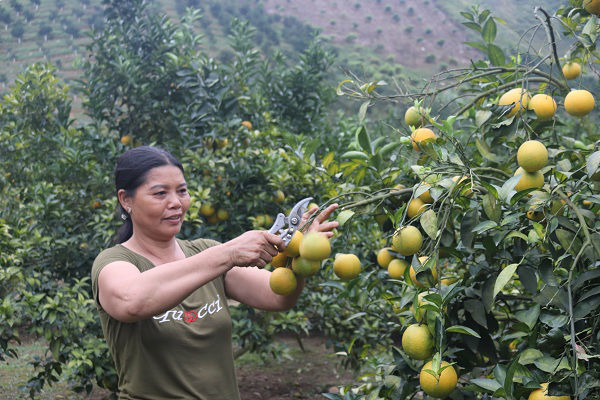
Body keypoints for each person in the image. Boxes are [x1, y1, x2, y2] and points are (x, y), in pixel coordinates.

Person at [91, 145, 339, 400]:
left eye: (182, 191)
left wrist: (297, 255)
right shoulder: (114, 263)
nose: (176, 203)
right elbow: (131, 301)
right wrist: (229, 253)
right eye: (160, 193)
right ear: (126, 199)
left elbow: (278, 296)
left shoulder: (205, 252)